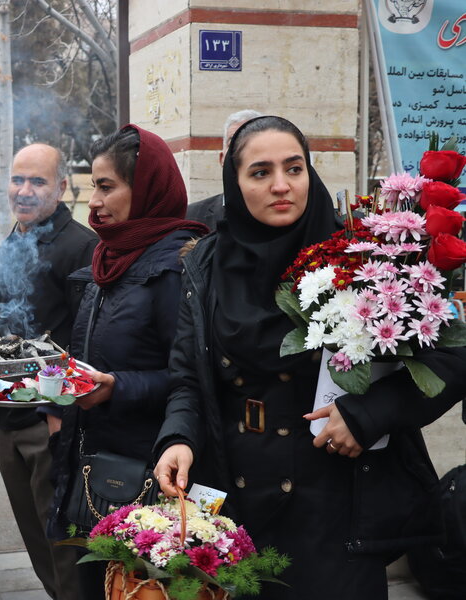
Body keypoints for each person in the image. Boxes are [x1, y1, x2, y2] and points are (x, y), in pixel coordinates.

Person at [153, 116, 466, 599]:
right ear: (233, 183)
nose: (281, 185)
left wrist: (369, 414)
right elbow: (187, 376)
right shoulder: (206, 263)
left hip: (336, 500)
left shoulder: (365, 253)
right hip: (236, 500)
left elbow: (453, 357)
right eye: (259, 172)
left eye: (294, 168)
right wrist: (179, 437)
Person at [47, 124, 207, 599]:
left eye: (106, 186)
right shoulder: (109, 258)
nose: (93, 201)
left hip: (146, 473)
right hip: (90, 464)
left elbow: (191, 378)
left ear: (147, 190)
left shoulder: (174, 266)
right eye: (91, 185)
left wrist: (119, 386)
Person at [0, 143, 97, 600]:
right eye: (17, 179)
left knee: (63, 541)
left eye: (37, 181)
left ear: (62, 188)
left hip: (49, 420)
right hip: (7, 414)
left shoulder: (81, 246)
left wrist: (59, 411)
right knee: (34, 537)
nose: (24, 191)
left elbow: (86, 339)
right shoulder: (14, 238)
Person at [186, 109, 262, 231]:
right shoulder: (191, 217)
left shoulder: (289, 213)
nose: (242, 151)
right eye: (233, 141)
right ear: (222, 159)